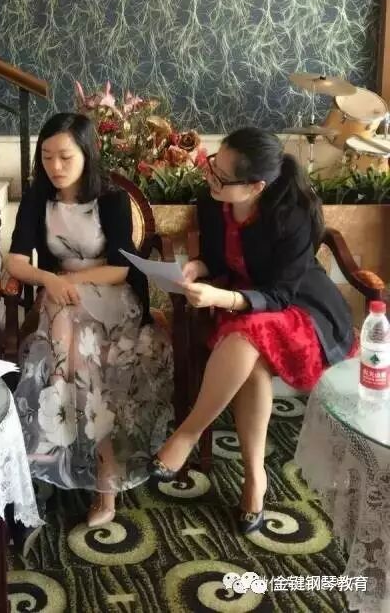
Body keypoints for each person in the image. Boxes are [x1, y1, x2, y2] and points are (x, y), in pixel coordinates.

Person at [148, 127, 354, 533]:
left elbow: (279, 295)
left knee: (248, 335)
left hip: (299, 308)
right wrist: (197, 267)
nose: (210, 177)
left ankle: (188, 434)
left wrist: (221, 298)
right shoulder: (213, 201)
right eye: (213, 165)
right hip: (245, 306)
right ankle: (255, 478)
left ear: (256, 186)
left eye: (222, 176)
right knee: (252, 359)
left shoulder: (292, 214)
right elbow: (216, 258)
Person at [6, 112, 173, 529]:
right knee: (69, 327)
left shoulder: (111, 199)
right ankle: (102, 467)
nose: (55, 166)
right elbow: (16, 261)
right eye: (47, 157)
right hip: (60, 292)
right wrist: (50, 280)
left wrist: (68, 281)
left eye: (65, 157)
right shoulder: (37, 198)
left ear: (87, 153)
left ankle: (64, 440)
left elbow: (119, 268)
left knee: (75, 339)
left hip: (109, 293)